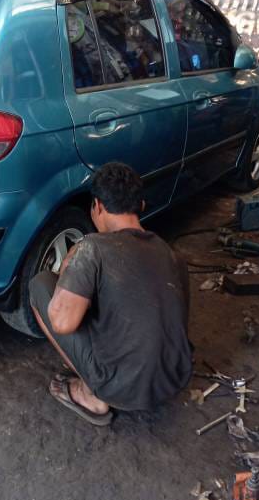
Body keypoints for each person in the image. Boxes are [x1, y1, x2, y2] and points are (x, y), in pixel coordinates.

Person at [29, 162, 192, 426]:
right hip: (173, 379)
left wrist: (71, 264)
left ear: (98, 206)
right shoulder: (171, 254)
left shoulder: (93, 248)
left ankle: (91, 395)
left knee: (40, 285)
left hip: (120, 388)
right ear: (141, 206)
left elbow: (62, 322)